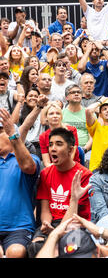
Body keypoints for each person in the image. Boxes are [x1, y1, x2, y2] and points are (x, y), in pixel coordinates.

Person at [29, 128, 92, 258]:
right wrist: (46, 224)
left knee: (66, 250)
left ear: (70, 150)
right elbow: (45, 208)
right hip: (52, 223)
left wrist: (57, 232)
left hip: (75, 224)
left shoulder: (84, 175)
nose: (52, 148)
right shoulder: (46, 173)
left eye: (59, 144)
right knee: (35, 246)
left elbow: (75, 213)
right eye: (50, 144)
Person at [0, 108, 40, 258]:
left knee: (15, 252)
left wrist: (13, 134)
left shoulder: (27, 159)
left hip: (18, 227)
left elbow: (29, 167)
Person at [39, 102, 80, 167]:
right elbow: (47, 163)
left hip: (72, 166)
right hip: (53, 167)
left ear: (61, 116)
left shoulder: (72, 130)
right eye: (51, 114)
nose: (55, 116)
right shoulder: (43, 136)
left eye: (58, 113)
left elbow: (71, 157)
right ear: (46, 117)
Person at [62, 84, 91, 158]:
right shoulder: (61, 114)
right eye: (73, 92)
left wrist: (84, 150)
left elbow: (93, 137)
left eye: (79, 92)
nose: (76, 94)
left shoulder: (88, 113)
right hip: (66, 149)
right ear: (67, 97)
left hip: (85, 150)